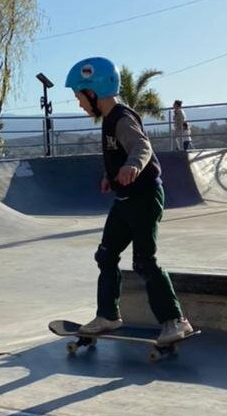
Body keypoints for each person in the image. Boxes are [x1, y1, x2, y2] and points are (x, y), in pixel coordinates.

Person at [64, 57, 193, 345]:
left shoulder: (122, 118)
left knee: (145, 262)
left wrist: (133, 165)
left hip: (145, 198)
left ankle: (175, 321)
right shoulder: (109, 120)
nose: (80, 104)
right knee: (106, 256)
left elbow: (141, 145)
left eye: (79, 97)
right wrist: (110, 174)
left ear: (93, 92)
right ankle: (108, 314)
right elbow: (117, 153)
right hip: (124, 200)